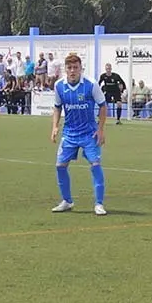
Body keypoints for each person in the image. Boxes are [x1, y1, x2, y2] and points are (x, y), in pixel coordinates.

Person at [50, 53, 107, 216]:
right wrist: (55, 126)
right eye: (69, 68)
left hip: (89, 133)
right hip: (69, 133)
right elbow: (57, 107)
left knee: (95, 165)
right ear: (65, 70)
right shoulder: (59, 86)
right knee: (60, 166)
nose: (73, 71)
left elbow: (103, 106)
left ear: (81, 68)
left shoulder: (91, 84)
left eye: (76, 67)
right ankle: (67, 201)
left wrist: (101, 129)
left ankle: (99, 204)